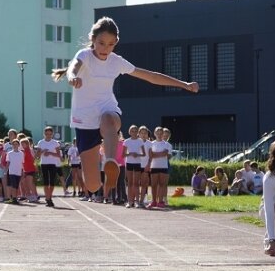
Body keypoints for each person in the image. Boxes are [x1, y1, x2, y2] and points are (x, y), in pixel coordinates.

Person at [52, 17, 198, 200]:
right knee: (92, 184)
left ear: (116, 43)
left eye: (111, 44)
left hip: (108, 109)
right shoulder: (84, 55)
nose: (106, 48)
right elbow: (74, 66)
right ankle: (103, 175)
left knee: (108, 119)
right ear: (93, 39)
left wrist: (183, 84)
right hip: (84, 120)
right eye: (102, 43)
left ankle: (111, 162)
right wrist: (73, 76)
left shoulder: (116, 61)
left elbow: (150, 76)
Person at [147, 126, 171, 209]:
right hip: (154, 166)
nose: (159, 134)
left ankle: (160, 201)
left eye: (161, 133)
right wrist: (161, 154)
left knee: (162, 184)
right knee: (153, 185)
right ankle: (154, 201)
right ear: (154, 133)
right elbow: (151, 155)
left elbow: (167, 156)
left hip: (163, 167)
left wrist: (155, 154)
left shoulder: (167, 144)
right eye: (158, 133)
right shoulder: (151, 144)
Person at [37, 127, 62, 207]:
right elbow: (37, 155)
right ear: (44, 134)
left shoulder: (55, 143)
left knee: (51, 182)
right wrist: (42, 151)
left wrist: (50, 153)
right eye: (47, 134)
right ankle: (47, 198)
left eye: (50, 134)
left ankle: (49, 197)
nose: (48, 136)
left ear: (52, 134)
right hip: (44, 164)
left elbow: (59, 155)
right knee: (45, 182)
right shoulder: (41, 142)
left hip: (53, 164)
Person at [123, 125, 146, 206]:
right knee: (129, 183)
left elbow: (144, 154)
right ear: (129, 132)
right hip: (129, 163)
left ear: (137, 132)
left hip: (137, 163)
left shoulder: (140, 141)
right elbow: (123, 154)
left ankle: (137, 201)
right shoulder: (126, 141)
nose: (134, 132)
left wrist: (137, 155)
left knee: (136, 183)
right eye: (132, 131)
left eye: (135, 131)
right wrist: (130, 154)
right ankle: (130, 201)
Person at [5, 139, 24, 204]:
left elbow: (22, 163)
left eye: (16, 144)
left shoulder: (21, 153)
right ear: (12, 145)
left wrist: (23, 171)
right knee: (13, 185)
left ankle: (15, 198)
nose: (15, 145)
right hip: (11, 171)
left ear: (18, 145)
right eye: (14, 144)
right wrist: (5, 171)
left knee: (16, 185)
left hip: (18, 171)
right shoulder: (9, 153)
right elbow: (8, 163)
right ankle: (14, 198)